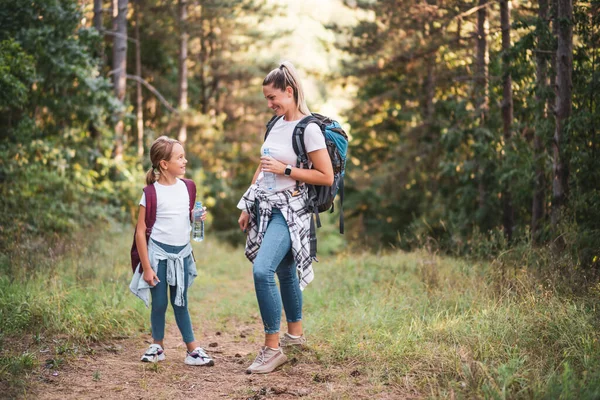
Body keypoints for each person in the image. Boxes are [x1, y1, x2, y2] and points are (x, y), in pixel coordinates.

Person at [237, 61, 334, 374]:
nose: (269, 103)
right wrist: (246, 204)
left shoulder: (310, 129)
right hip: (266, 207)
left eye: (272, 97)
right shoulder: (275, 123)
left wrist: (287, 170)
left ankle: (271, 348)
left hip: (292, 210)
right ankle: (295, 337)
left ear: (289, 92)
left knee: (262, 270)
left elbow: (326, 176)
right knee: (285, 271)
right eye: (266, 98)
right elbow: (263, 164)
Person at [129, 136, 214, 366]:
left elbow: (185, 216)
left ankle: (192, 349)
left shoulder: (189, 187)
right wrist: (146, 267)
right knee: (159, 303)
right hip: (158, 256)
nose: (185, 160)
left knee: (181, 301)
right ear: (164, 164)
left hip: (182, 255)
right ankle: (157, 346)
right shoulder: (150, 193)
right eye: (180, 157)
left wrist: (197, 217)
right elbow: (140, 232)